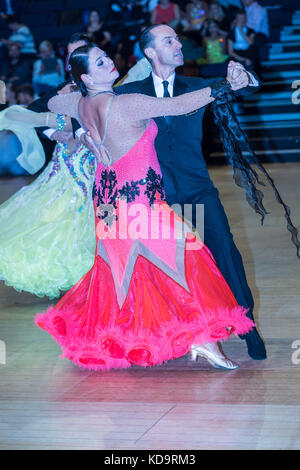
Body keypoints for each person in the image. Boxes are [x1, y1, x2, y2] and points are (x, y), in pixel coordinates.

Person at [33, 44, 255, 372]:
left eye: (107, 57)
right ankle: (203, 341)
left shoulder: (77, 103)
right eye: (100, 62)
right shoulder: (127, 103)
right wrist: (224, 85)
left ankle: (128, 337)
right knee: (186, 259)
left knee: (121, 271)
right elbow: (179, 104)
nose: (110, 62)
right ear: (86, 76)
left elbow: (49, 102)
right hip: (139, 202)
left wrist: (77, 128)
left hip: (105, 203)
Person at [113, 24, 266, 361]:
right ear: (150, 52)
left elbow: (246, 89)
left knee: (225, 250)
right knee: (165, 266)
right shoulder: (132, 94)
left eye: (178, 39)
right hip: (158, 199)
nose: (178, 44)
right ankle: (176, 332)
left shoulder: (197, 86)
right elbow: (98, 115)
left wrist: (245, 77)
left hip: (198, 191)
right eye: (169, 41)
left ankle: (247, 324)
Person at [0, 33, 96, 297]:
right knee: (58, 218)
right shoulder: (62, 90)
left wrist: (76, 131)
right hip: (65, 167)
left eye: (81, 53)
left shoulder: (105, 88)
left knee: (97, 218)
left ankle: (99, 277)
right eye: (70, 54)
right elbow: (33, 115)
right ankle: (74, 278)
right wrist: (55, 133)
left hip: (95, 165)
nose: (73, 60)